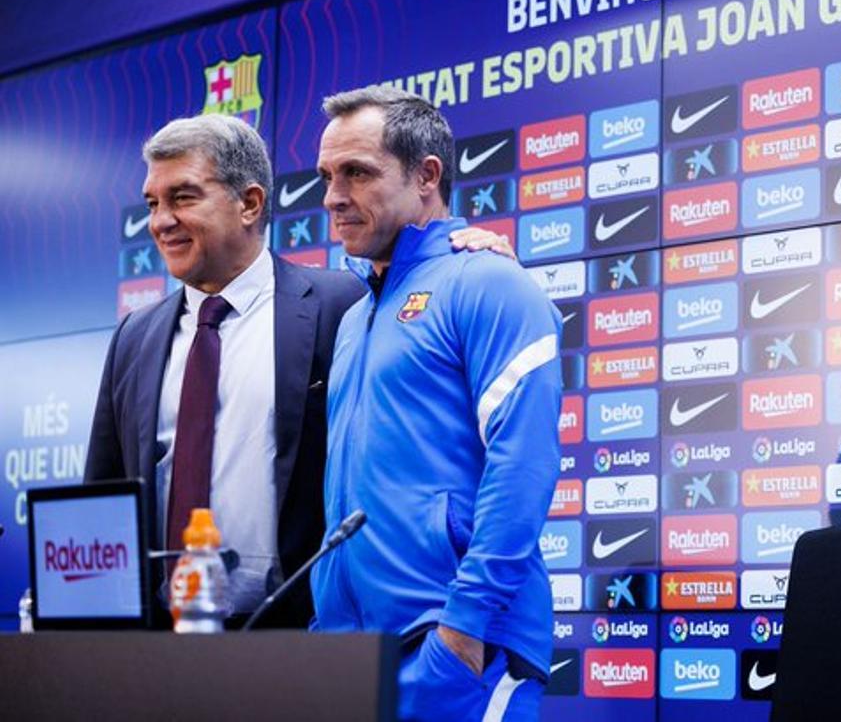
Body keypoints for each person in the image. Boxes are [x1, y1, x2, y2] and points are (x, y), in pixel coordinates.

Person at [85, 113, 509, 628]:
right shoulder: (135, 337)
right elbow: (101, 503)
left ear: (250, 203)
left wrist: (471, 251)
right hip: (154, 644)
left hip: (300, 637)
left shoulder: (345, 306)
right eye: (153, 203)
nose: (161, 221)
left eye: (183, 197)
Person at [310, 87, 562, 722]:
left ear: (427, 175)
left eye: (358, 173)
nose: (334, 196)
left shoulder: (489, 281)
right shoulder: (355, 316)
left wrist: (464, 632)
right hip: (348, 658)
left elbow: (523, 466)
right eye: (327, 176)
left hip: (454, 649)